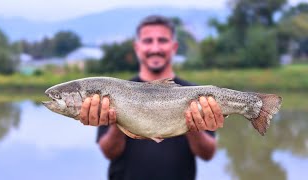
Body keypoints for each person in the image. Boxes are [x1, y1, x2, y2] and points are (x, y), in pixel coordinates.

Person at [79, 15, 225, 180]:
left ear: (174, 47)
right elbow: (109, 152)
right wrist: (116, 121)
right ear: (137, 47)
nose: (155, 48)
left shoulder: (197, 94)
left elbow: (207, 154)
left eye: (162, 40)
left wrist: (193, 126)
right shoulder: (113, 91)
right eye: (148, 41)